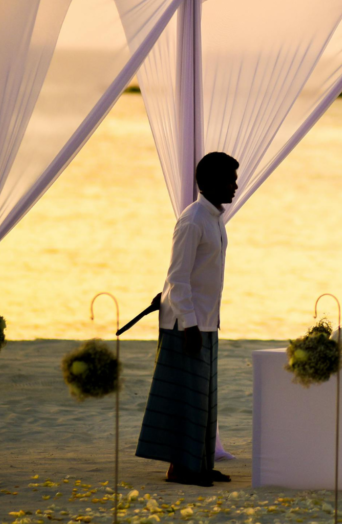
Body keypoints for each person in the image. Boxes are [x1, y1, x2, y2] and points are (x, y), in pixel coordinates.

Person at [135, 152, 239, 487]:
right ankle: (179, 468)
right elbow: (177, 277)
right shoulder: (193, 219)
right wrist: (190, 324)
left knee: (203, 399)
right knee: (185, 398)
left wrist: (205, 322)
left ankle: (200, 465)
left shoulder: (214, 218)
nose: (235, 185)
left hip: (205, 322)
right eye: (229, 179)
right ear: (208, 183)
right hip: (186, 325)